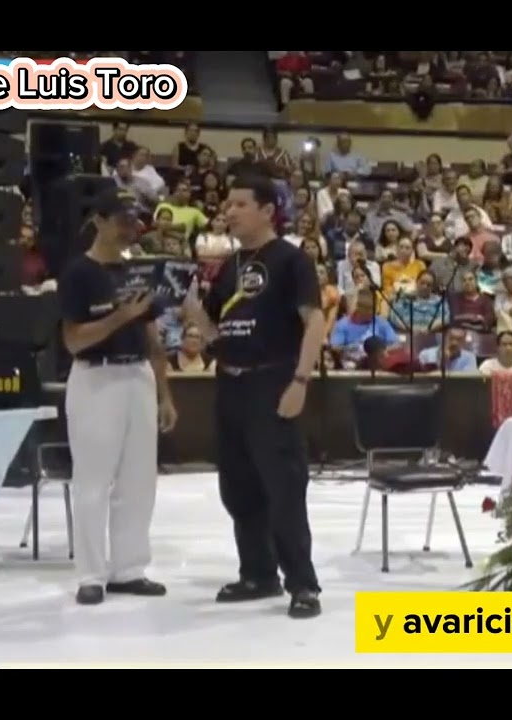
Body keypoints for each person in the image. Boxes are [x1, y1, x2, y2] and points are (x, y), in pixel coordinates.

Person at [182, 174, 328, 619]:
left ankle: (302, 583)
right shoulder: (227, 266)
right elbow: (211, 329)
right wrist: (188, 305)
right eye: (228, 204)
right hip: (231, 383)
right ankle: (258, 572)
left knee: (283, 487)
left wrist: (300, 382)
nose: (229, 210)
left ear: (267, 211)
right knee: (239, 486)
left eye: (240, 203)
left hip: (274, 382)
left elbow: (315, 321)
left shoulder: (291, 260)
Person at [57, 189, 178, 606]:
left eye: (135, 220)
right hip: (96, 378)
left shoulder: (139, 271)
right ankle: (90, 573)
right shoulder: (79, 273)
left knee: (139, 480)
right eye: (124, 220)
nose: (132, 228)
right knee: (93, 479)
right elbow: (73, 340)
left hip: (137, 375)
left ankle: (129, 568)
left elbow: (150, 334)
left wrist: (164, 392)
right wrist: (119, 316)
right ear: (100, 221)